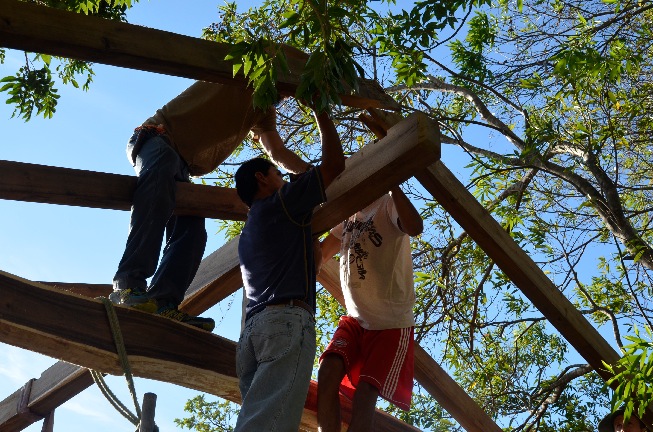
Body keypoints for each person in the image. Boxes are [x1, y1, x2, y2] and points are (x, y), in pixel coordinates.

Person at [110, 81, 310, 331]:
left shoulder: (263, 111)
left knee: (192, 230)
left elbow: (277, 151)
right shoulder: (243, 75)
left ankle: (163, 302)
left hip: (181, 166)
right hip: (157, 138)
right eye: (288, 88)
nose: (286, 97)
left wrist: (312, 174)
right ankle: (128, 285)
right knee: (156, 188)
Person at [234, 106, 345, 431]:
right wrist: (320, 110)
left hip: (253, 334)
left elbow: (312, 257)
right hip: (284, 323)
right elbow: (334, 167)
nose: (285, 181)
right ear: (261, 178)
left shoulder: (250, 230)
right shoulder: (281, 203)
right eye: (278, 175)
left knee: (260, 423)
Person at [317, 186, 423, 431]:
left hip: (389, 322)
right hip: (355, 319)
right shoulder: (348, 214)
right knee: (327, 372)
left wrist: (394, 183)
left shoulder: (387, 204)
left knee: (365, 395)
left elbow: (415, 227)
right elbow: (320, 255)